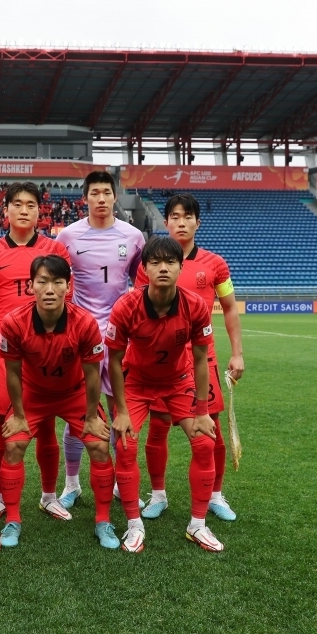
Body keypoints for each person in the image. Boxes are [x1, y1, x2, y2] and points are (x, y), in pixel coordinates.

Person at [105, 236, 221, 553]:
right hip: (138, 383)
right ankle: (134, 526)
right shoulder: (126, 307)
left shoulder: (195, 306)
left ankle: (197, 525)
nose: (163, 268)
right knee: (125, 444)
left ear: (180, 267)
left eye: (170, 261)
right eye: (155, 262)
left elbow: (200, 358)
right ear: (144, 269)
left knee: (205, 442)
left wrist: (201, 410)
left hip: (178, 380)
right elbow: (114, 361)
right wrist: (122, 412)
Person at [134, 193, 244, 522]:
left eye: (188, 216)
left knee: (211, 433)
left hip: (201, 361)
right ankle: (157, 495)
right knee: (158, 428)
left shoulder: (215, 264)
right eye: (175, 217)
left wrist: (237, 353)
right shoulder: (151, 262)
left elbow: (229, 309)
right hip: (160, 364)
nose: (181, 222)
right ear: (165, 222)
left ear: (198, 222)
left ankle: (215, 494)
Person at [0, 255, 118, 549]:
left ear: (68, 287)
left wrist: (91, 416)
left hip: (73, 393)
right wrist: (19, 414)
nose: (49, 289)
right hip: (33, 393)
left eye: (57, 282)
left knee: (100, 444)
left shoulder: (85, 323)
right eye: (42, 282)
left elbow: (92, 375)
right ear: (31, 286)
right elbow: (12, 373)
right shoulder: (14, 322)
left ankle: (103, 521)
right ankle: (13, 520)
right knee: (13, 443)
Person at [0, 181, 72, 522]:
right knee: (4, 422)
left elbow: (66, 294)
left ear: (39, 211)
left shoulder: (54, 250)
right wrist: (0, 324)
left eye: (30, 204)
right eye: (16, 204)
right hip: (6, 350)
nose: (23, 210)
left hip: (46, 348)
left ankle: (49, 495)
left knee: (45, 425)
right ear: (5, 211)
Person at [54, 171, 145, 509]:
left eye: (107, 192)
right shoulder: (68, 235)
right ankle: (72, 483)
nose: (102, 199)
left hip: (120, 336)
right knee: (80, 412)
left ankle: (123, 481)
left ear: (115, 196)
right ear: (86, 198)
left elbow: (141, 284)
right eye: (95, 193)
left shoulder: (134, 236)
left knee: (119, 409)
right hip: (79, 335)